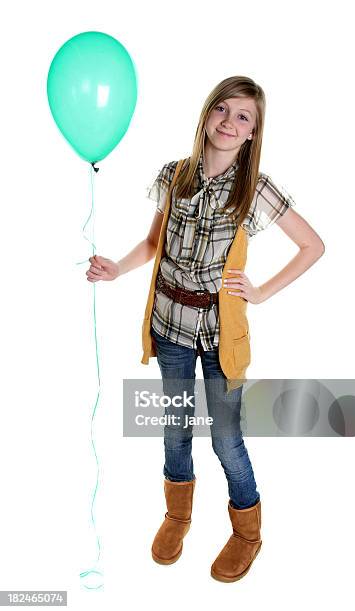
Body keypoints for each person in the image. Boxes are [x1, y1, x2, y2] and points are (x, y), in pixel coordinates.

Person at [85, 75, 325, 582]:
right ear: (206, 114)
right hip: (171, 324)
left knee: (225, 437)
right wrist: (116, 269)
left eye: (243, 117)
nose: (229, 121)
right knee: (174, 429)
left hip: (220, 335)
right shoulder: (175, 175)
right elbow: (155, 244)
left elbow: (313, 246)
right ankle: (177, 514)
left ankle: (247, 531)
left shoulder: (254, 188)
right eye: (222, 109)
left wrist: (258, 292)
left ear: (253, 133)